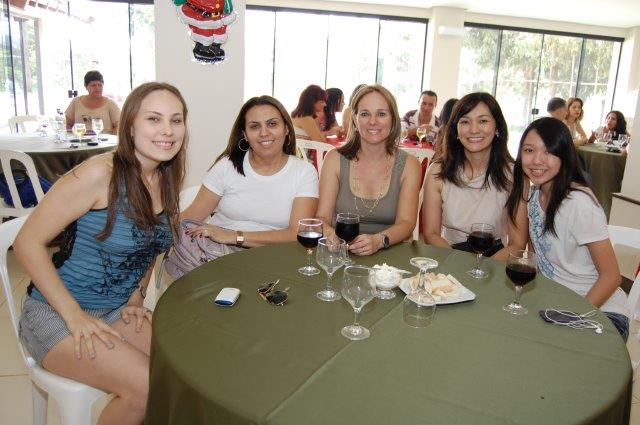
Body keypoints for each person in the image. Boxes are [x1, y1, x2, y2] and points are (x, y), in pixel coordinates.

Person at [15, 82, 187, 424]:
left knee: (184, 369)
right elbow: (26, 243)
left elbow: (150, 245)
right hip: (56, 311)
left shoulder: (164, 177)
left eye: (176, 120)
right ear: (130, 125)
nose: (167, 130)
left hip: (115, 310)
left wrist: (136, 297)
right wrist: (75, 316)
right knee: (146, 387)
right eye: (154, 119)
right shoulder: (99, 174)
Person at [506, 117, 628, 340]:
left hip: (601, 312)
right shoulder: (534, 195)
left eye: (549, 151)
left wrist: (573, 319)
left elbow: (611, 277)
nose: (537, 160)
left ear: (564, 155)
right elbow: (535, 257)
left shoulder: (579, 204)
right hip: (556, 304)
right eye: (529, 150)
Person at [181, 95, 319, 249]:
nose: (264, 133)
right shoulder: (227, 166)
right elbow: (189, 218)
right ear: (245, 134)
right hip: (215, 252)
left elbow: (296, 234)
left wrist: (234, 236)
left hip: (271, 256)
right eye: (254, 126)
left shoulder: (304, 172)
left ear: (286, 128)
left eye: (272, 124)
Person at [316, 84, 421, 256]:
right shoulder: (334, 159)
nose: (373, 121)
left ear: (393, 119)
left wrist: (378, 241)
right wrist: (329, 234)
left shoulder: (409, 165)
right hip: (341, 252)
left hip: (391, 254)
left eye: (381, 114)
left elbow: (406, 222)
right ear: (355, 119)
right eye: (365, 114)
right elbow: (322, 217)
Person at [422, 92, 528, 260]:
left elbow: (517, 243)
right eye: (465, 122)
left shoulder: (514, 175)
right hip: (449, 254)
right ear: (456, 130)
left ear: (497, 127)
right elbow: (431, 233)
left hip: (496, 258)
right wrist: (461, 265)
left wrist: (484, 268)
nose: (474, 129)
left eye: (483, 121)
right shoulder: (438, 171)